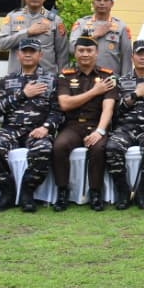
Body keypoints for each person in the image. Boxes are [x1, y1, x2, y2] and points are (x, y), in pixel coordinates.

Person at [0, 39, 63, 213]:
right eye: (24, 51)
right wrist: (23, 94)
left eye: (32, 51)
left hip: (37, 130)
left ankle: (28, 192)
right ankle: (7, 191)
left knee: (43, 149)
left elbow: (58, 111)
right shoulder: (6, 80)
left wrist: (46, 128)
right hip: (11, 129)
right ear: (18, 55)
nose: (28, 54)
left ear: (40, 55)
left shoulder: (52, 80)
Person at [51, 36, 116, 211]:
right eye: (81, 50)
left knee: (98, 148)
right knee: (59, 146)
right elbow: (65, 104)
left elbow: (108, 108)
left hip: (96, 124)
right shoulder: (65, 75)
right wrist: (94, 91)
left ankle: (95, 193)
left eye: (89, 50)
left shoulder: (107, 76)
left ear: (96, 53)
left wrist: (100, 131)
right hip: (73, 126)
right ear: (75, 53)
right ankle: (62, 192)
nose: (85, 54)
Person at [104, 38, 144, 211]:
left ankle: (142, 192)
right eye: (139, 54)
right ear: (132, 57)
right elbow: (114, 111)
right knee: (111, 148)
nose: (143, 57)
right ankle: (123, 191)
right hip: (124, 128)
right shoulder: (120, 81)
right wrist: (135, 94)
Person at [0, 0, 68, 72]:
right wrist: (27, 32)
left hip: (46, 77)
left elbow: (62, 53)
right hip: (17, 77)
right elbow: (2, 44)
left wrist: (62, 76)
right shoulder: (12, 17)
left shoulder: (55, 20)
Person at [68, 0, 132, 76]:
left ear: (112, 4)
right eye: (98, 0)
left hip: (111, 79)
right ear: (93, 3)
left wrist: (125, 80)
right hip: (84, 78)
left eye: (105, 0)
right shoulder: (81, 24)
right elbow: (72, 49)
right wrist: (94, 35)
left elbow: (126, 58)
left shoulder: (121, 27)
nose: (102, 3)